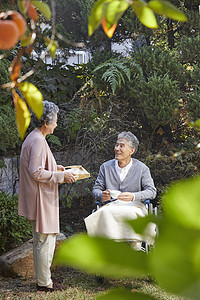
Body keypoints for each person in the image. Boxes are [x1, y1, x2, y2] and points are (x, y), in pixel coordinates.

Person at [18, 101, 77, 292]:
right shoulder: (37, 140)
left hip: (39, 197)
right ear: (46, 122)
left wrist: (56, 168)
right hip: (40, 198)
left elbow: (39, 167)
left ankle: (43, 281)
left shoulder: (36, 137)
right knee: (45, 240)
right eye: (55, 121)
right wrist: (61, 176)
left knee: (42, 240)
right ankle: (45, 284)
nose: (57, 125)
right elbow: (35, 172)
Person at [84, 131, 156, 249]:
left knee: (132, 214)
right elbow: (96, 189)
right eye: (117, 145)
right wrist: (102, 195)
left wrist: (133, 196)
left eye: (122, 146)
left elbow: (151, 191)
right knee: (105, 213)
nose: (117, 149)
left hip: (134, 206)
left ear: (131, 151)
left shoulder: (142, 168)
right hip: (111, 206)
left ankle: (135, 248)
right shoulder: (105, 167)